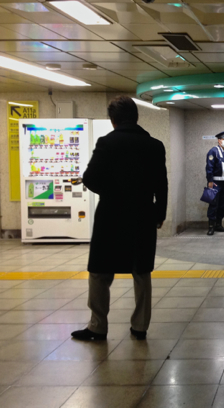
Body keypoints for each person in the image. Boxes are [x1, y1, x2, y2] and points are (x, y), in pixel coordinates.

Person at [71, 96, 168, 341]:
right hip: (143, 214)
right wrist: (159, 214)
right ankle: (140, 326)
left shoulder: (107, 142)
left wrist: (111, 191)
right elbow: (161, 184)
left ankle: (98, 326)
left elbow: (90, 178)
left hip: (111, 215)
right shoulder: (154, 146)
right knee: (141, 271)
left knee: (99, 271)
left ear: (113, 120)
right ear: (136, 117)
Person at [206, 131, 224, 235]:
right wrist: (210, 181)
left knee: (222, 204)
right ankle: (211, 226)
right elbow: (209, 167)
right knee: (213, 204)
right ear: (219, 140)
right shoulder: (213, 151)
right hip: (215, 183)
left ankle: (218, 224)